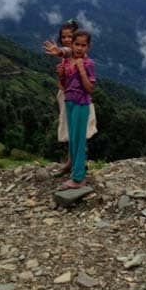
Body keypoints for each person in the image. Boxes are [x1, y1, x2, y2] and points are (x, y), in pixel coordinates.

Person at [44, 20, 97, 174]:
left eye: (70, 36)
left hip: (80, 98)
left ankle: (78, 164)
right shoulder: (68, 56)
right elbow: (63, 81)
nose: (67, 39)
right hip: (67, 95)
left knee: (81, 130)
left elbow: (65, 51)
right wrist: (60, 75)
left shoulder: (78, 56)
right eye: (64, 37)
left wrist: (59, 51)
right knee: (71, 129)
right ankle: (72, 162)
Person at [57, 30, 95, 190]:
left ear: (88, 47)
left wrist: (81, 70)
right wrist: (61, 75)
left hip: (81, 104)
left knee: (79, 141)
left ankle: (78, 179)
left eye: (83, 45)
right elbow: (65, 86)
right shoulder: (67, 62)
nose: (79, 48)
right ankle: (75, 172)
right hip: (69, 102)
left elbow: (90, 89)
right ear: (71, 45)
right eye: (76, 44)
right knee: (73, 139)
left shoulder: (88, 64)